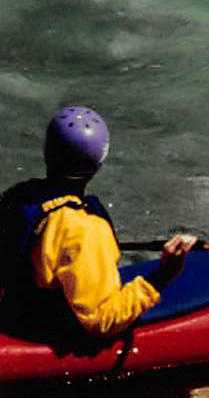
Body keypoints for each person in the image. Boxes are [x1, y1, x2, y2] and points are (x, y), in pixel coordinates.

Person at [0, 106, 197, 342]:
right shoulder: (85, 229)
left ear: (47, 152)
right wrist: (164, 274)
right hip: (44, 329)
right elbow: (101, 320)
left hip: (14, 309)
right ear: (98, 164)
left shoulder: (21, 196)